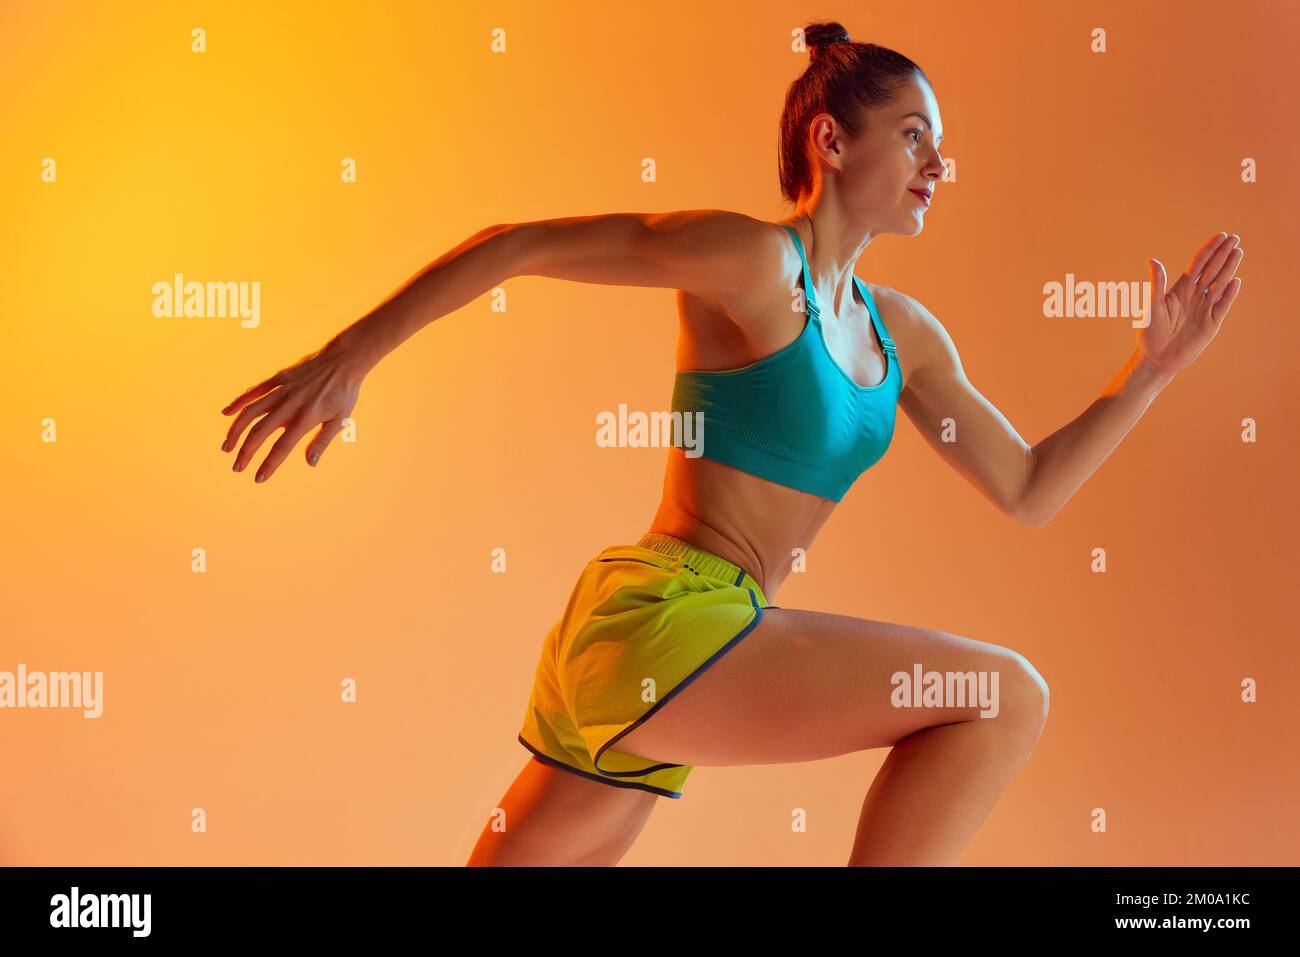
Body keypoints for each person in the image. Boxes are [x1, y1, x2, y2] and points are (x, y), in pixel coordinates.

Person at [219, 21, 1244, 866]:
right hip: (669, 628)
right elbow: (518, 245)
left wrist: (1150, 368)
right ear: (833, 144)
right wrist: (347, 359)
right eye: (914, 136)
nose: (940, 163)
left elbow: (1027, 488)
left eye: (941, 143)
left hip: (663, 657)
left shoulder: (904, 337)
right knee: (1001, 695)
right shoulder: (754, 263)